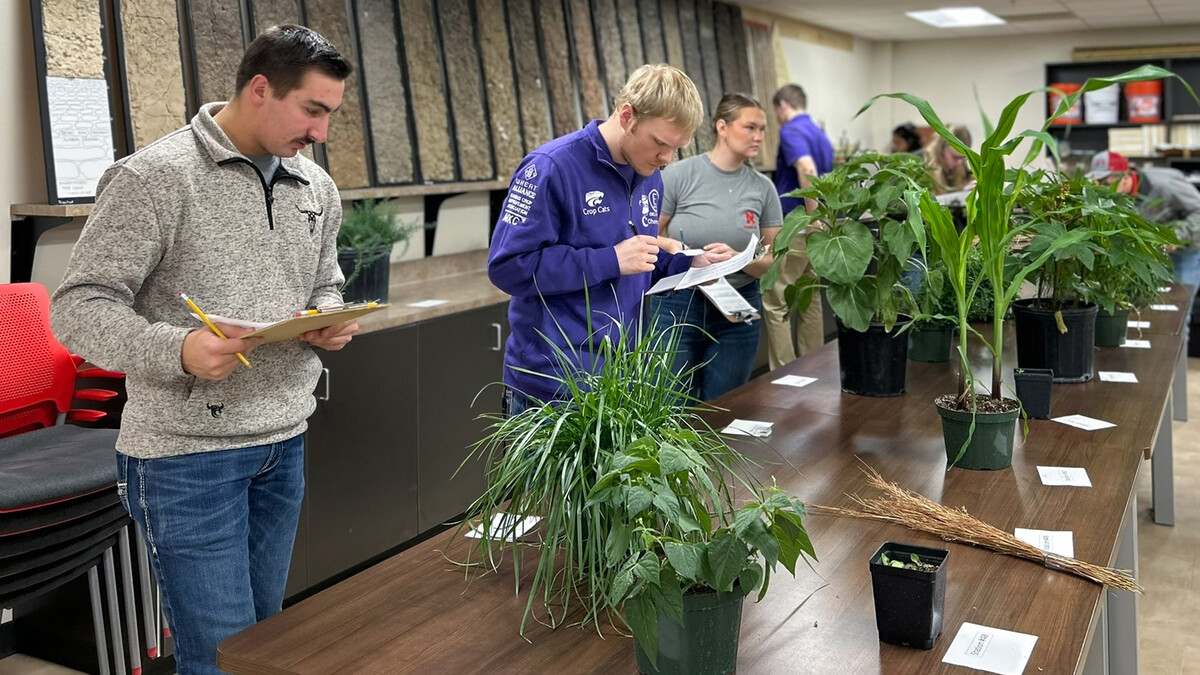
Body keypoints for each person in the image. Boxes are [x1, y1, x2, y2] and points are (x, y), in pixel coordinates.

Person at [50, 25, 357, 675]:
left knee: (263, 649)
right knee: (219, 656)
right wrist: (180, 348)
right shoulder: (152, 178)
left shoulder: (316, 188)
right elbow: (77, 308)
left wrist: (327, 316)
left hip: (283, 442)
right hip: (187, 457)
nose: (322, 132)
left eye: (331, 114)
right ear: (259, 89)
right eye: (313, 110)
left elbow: (325, 281)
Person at [488, 64, 732, 415]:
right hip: (551, 386)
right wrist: (609, 260)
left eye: (677, 149)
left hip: (618, 381)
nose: (667, 159)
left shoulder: (649, 174)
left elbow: (635, 255)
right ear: (627, 116)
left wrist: (686, 262)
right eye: (660, 143)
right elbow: (507, 267)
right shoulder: (551, 167)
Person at [652, 93, 782, 401]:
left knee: (727, 406)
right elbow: (645, 236)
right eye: (750, 127)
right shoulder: (678, 174)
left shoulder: (763, 188)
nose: (758, 137)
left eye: (762, 129)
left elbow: (774, 259)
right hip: (677, 303)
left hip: (737, 307)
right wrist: (681, 249)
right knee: (670, 405)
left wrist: (738, 259)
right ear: (722, 127)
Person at [766, 83, 835, 370]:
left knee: (777, 300)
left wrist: (812, 220)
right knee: (809, 298)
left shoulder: (791, 130)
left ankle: (783, 373)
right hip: (821, 226)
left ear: (783, 105)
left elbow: (806, 169)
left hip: (798, 223)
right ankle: (812, 368)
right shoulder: (820, 134)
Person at [1089, 150, 1200, 290]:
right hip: (1150, 255)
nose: (1103, 189)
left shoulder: (1166, 184)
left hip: (1183, 252)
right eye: (1098, 183)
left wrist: (1176, 236)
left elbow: (1198, 211)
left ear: (1126, 177)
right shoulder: (1118, 196)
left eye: (1106, 183)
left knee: (1180, 299)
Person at [926, 124, 974, 195]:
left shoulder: (964, 171)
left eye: (963, 158)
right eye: (955, 157)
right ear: (941, 149)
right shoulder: (922, 164)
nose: (959, 163)